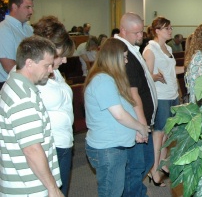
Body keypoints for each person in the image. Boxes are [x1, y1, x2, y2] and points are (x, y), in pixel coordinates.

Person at [84, 38, 150, 197]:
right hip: (108, 149)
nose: (126, 61)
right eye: (124, 57)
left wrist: (134, 130)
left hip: (113, 147)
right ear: (113, 58)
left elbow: (123, 108)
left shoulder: (110, 78)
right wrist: (140, 127)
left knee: (115, 190)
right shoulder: (102, 80)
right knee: (111, 192)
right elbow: (119, 115)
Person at [0, 36, 63, 196]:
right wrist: (53, 188)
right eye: (47, 65)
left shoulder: (13, 85)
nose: (51, 70)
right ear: (29, 63)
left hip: (21, 182)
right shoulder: (23, 97)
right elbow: (32, 149)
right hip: (30, 187)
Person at [115, 12, 158, 197]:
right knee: (137, 165)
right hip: (138, 121)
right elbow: (133, 93)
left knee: (144, 162)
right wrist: (141, 125)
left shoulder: (132, 49)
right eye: (136, 33)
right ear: (123, 31)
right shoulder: (124, 54)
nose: (141, 36)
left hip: (144, 120)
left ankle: (136, 192)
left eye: (141, 31)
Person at [34, 16, 76, 197]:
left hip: (64, 142)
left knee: (62, 190)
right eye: (62, 55)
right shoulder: (32, 75)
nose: (65, 61)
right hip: (47, 147)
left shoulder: (56, 72)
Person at [143, 17, 184, 186]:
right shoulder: (150, 49)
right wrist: (155, 76)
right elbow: (145, 75)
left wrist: (188, 68)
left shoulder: (167, 48)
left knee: (168, 133)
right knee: (159, 133)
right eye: (167, 28)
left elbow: (171, 70)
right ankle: (154, 170)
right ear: (157, 31)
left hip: (172, 93)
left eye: (171, 27)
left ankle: (163, 164)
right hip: (160, 96)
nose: (170, 30)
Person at [0, 0, 34, 89]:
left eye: (32, 7)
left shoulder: (28, 29)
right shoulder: (4, 29)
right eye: (27, 7)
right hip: (9, 84)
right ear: (15, 7)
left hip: (25, 81)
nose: (31, 11)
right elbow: (8, 66)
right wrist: (33, 77)